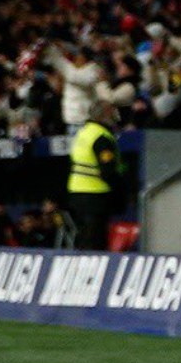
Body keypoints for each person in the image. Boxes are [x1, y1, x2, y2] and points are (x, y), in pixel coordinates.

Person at [66, 100, 123, 250]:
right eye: (111, 111)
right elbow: (108, 169)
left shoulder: (83, 132)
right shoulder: (101, 137)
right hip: (95, 194)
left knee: (83, 236)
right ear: (104, 114)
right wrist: (120, 191)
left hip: (76, 191)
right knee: (95, 240)